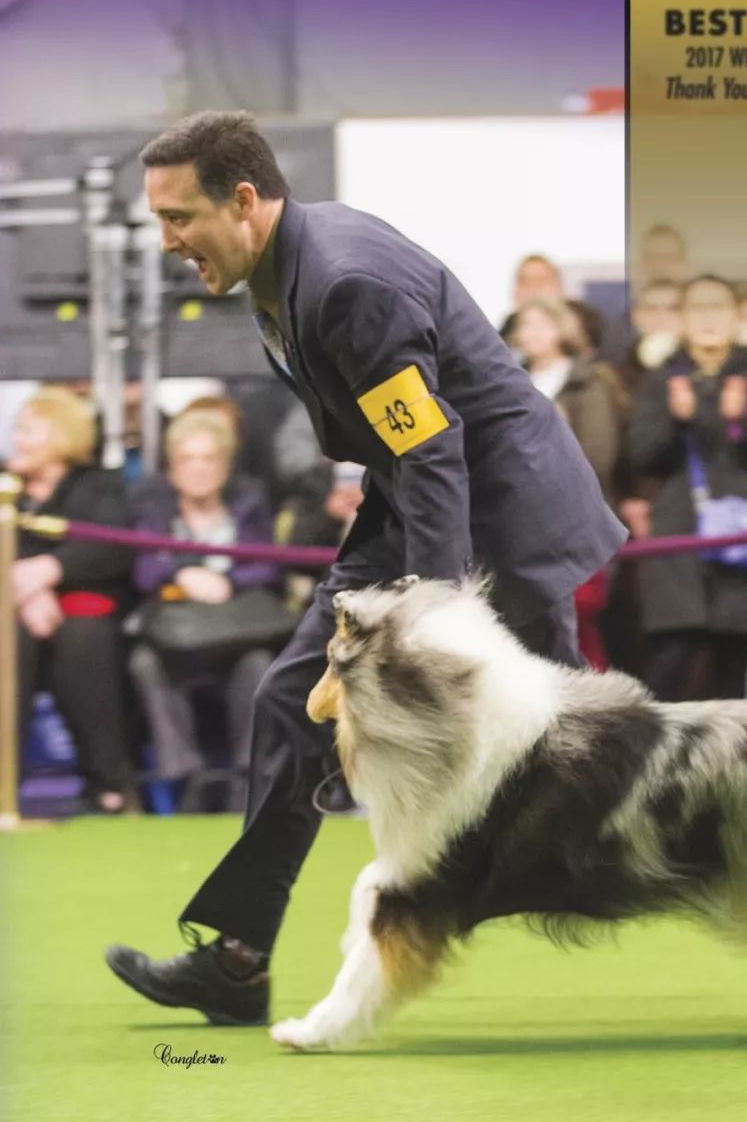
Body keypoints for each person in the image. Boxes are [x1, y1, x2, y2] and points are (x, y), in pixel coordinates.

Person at [105, 110, 626, 1026]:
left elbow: (431, 451)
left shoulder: (344, 283)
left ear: (243, 201)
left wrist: (433, 615)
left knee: (577, 748)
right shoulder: (290, 261)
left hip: (493, 516)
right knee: (289, 700)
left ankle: (739, 847)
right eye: (159, 221)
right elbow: (408, 449)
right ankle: (237, 963)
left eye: (179, 218)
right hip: (420, 507)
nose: (168, 241)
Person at [625, 274, 747, 702]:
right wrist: (675, 418)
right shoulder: (663, 376)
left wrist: (743, 419)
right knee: (672, 661)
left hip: (739, 535)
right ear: (682, 319)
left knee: (732, 668)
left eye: (719, 307)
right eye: (698, 308)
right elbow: (639, 454)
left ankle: (731, 767)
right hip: (679, 538)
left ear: (737, 317)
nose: (709, 318)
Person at [127, 409, 282, 809]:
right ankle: (184, 779)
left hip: (236, 631)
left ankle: (250, 778)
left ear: (226, 465)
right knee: (146, 662)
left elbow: (269, 565)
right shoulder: (153, 506)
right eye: (187, 459)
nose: (198, 468)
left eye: (208, 458)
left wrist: (229, 582)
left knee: (259, 663)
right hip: (176, 636)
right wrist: (183, 574)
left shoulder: (248, 503)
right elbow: (144, 571)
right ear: (172, 466)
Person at [8, 387, 137, 814]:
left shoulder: (99, 486)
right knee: (10, 642)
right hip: (13, 608)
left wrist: (48, 571)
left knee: (85, 639)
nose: (17, 438)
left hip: (86, 607)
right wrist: (26, 595)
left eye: (29, 429)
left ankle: (109, 784)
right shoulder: (7, 488)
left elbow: (112, 550)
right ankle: (6, 782)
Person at [509, 297, 624, 669]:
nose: (532, 334)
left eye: (542, 324)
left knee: (578, 628)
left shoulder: (588, 382)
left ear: (562, 329)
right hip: (516, 521)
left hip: (573, 521)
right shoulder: (507, 378)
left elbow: (599, 454)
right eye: (525, 325)